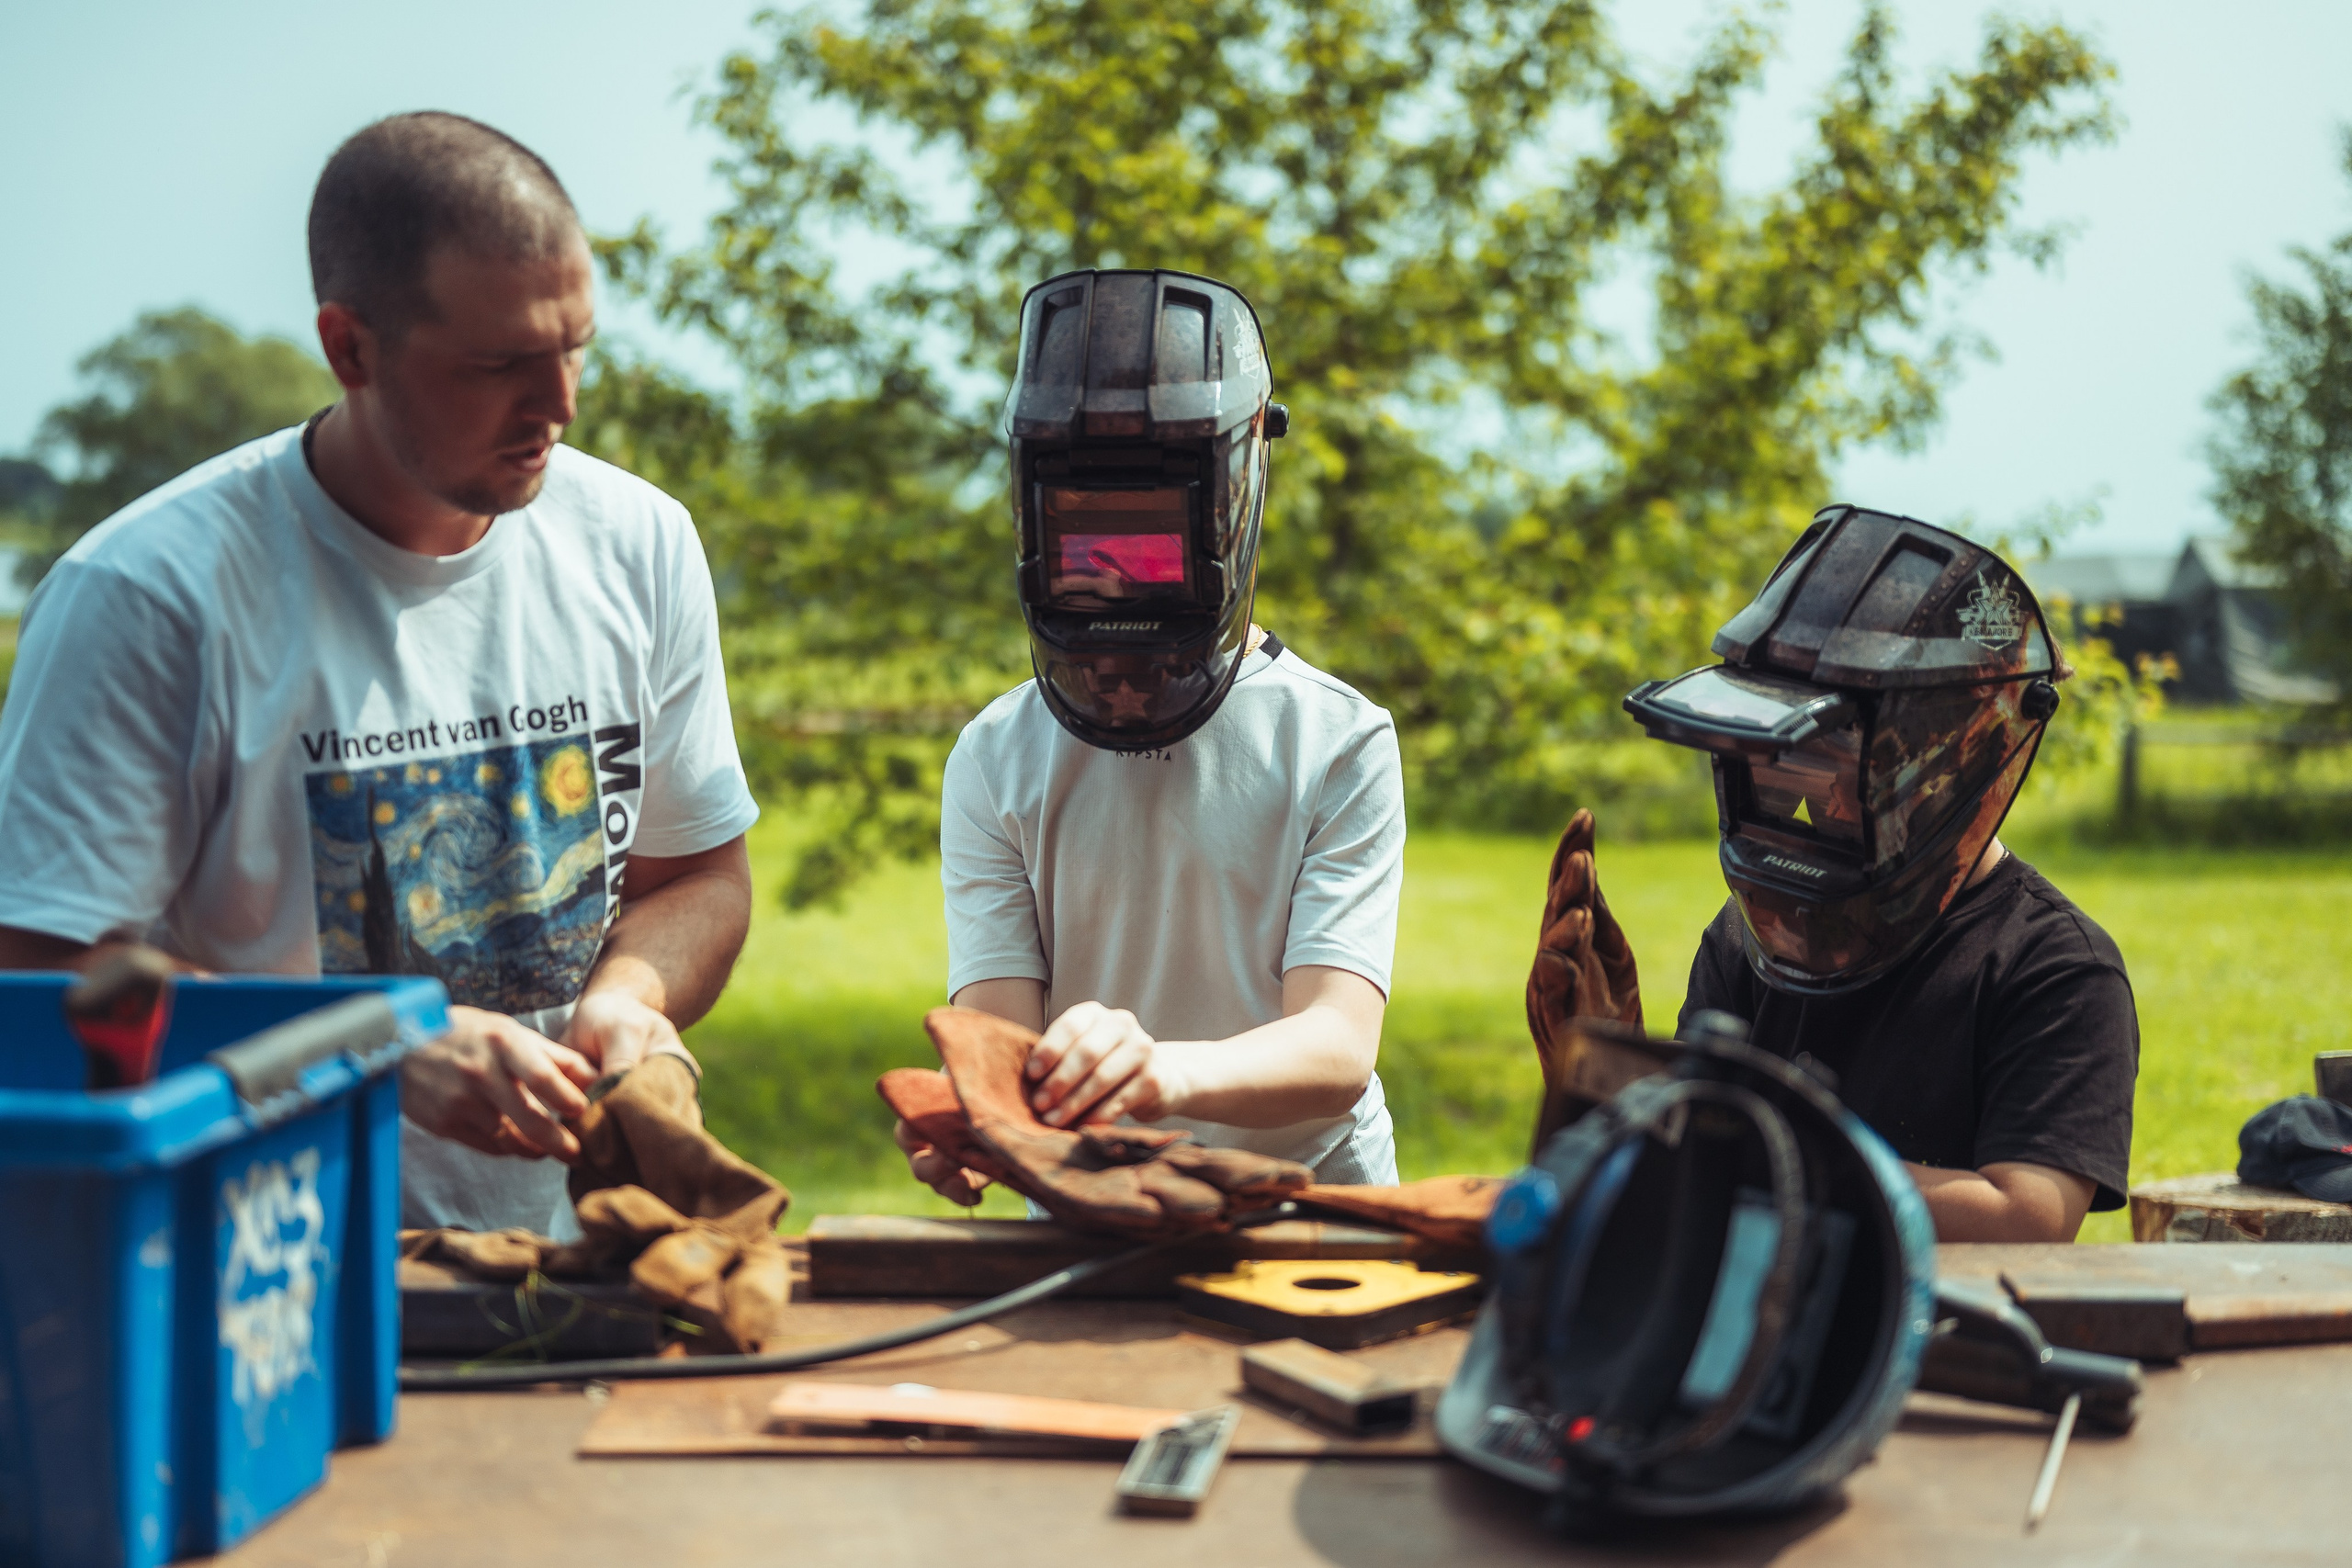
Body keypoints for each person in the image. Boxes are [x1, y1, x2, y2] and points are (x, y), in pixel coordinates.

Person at [0, 113, 759, 1236]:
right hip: (256, 1277)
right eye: (499, 364)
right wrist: (372, 1050)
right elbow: (39, 969)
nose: (557, 405)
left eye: (577, 347)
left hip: (584, 1259)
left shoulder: (637, 542)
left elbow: (697, 878)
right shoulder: (149, 594)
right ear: (349, 347)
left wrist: (628, 998)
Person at [896, 268, 1405, 1202]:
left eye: (1147, 551)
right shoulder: (994, 757)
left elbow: (1335, 1046)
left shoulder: (1337, 742)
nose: (1120, 666)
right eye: (1089, 555)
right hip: (1102, 1200)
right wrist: (985, 1116)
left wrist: (1159, 1074)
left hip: (1317, 1204)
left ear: (1233, 498)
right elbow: (1003, 1038)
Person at [1605, 504, 2138, 1243]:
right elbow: (1688, 1157)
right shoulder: (1746, 936)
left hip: (1946, 1336)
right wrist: (1605, 1059)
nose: (1799, 788)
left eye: (1831, 761)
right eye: (1774, 762)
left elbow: (2030, 1213)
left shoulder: (2053, 966)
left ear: (1944, 765)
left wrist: (1774, 1158)